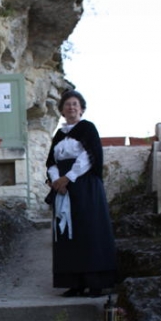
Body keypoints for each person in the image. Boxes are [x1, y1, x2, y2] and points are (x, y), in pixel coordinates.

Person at [46, 90, 117, 297]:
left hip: (85, 186)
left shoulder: (87, 128)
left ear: (82, 109)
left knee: (89, 231)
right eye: (67, 104)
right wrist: (56, 181)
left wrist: (67, 178)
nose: (71, 107)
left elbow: (89, 156)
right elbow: (51, 161)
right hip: (63, 188)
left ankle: (96, 283)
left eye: (75, 104)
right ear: (61, 110)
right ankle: (74, 283)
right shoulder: (59, 135)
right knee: (69, 235)